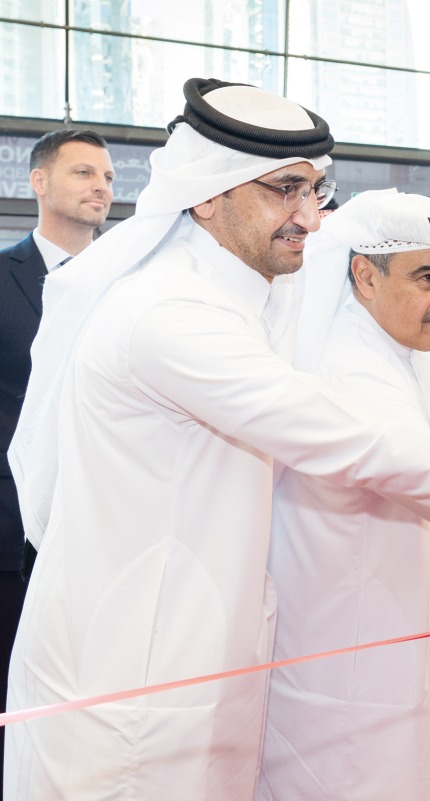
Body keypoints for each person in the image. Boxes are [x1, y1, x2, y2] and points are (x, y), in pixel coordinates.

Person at [4, 81, 430, 801]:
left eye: (315, 188)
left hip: (204, 669)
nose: (310, 215)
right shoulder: (169, 313)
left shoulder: (242, 300)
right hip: (131, 685)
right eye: (284, 190)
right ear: (207, 194)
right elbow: (361, 442)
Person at [259, 190, 430, 801]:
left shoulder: (415, 351)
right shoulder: (348, 364)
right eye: (429, 277)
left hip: (406, 639)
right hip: (349, 662)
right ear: (364, 274)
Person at [0, 127, 113, 795]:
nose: (101, 184)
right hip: (14, 525)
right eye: (82, 173)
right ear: (39, 182)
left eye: (105, 174)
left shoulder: (132, 283)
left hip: (109, 517)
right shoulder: (2, 276)